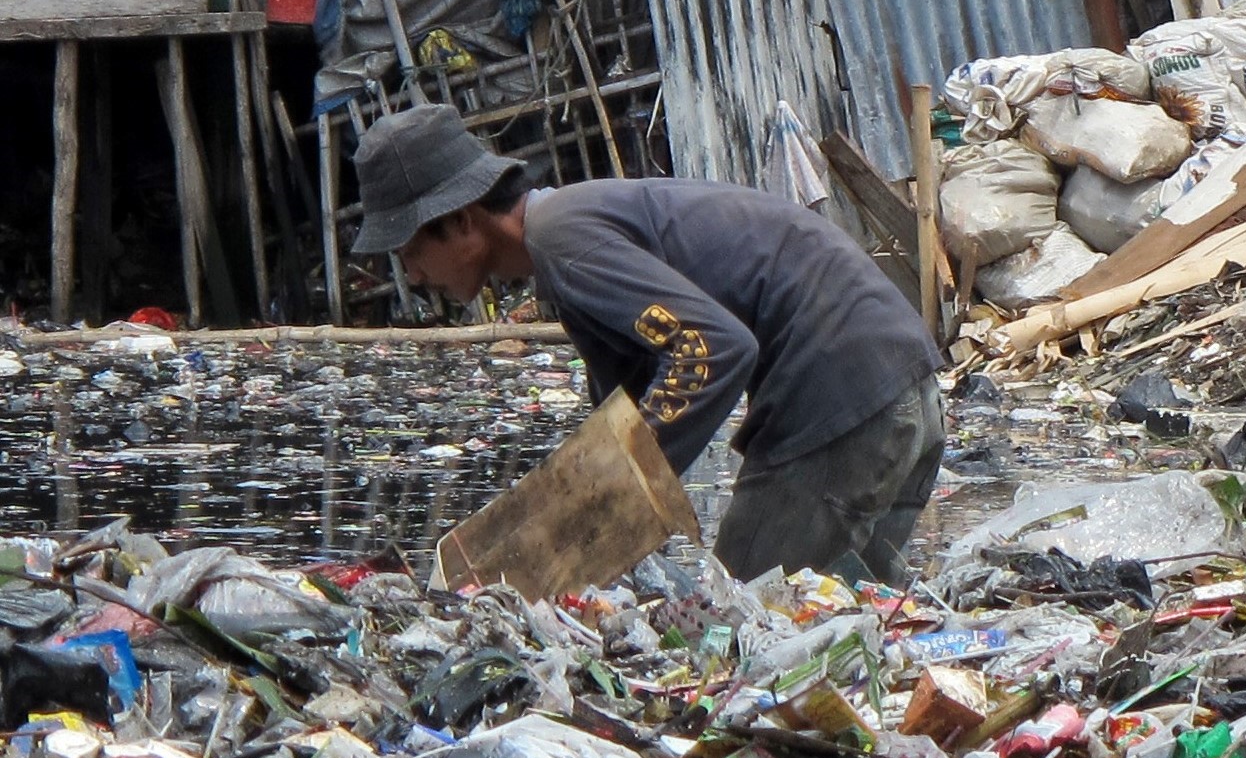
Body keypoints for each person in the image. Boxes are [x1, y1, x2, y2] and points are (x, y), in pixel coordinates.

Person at [348, 104, 944, 584]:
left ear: (459, 222)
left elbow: (710, 350)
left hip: (844, 399)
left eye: (408, 253)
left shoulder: (564, 240)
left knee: (746, 633)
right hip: (897, 383)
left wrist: (620, 493)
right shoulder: (565, 243)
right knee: (845, 640)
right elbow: (623, 411)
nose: (413, 275)